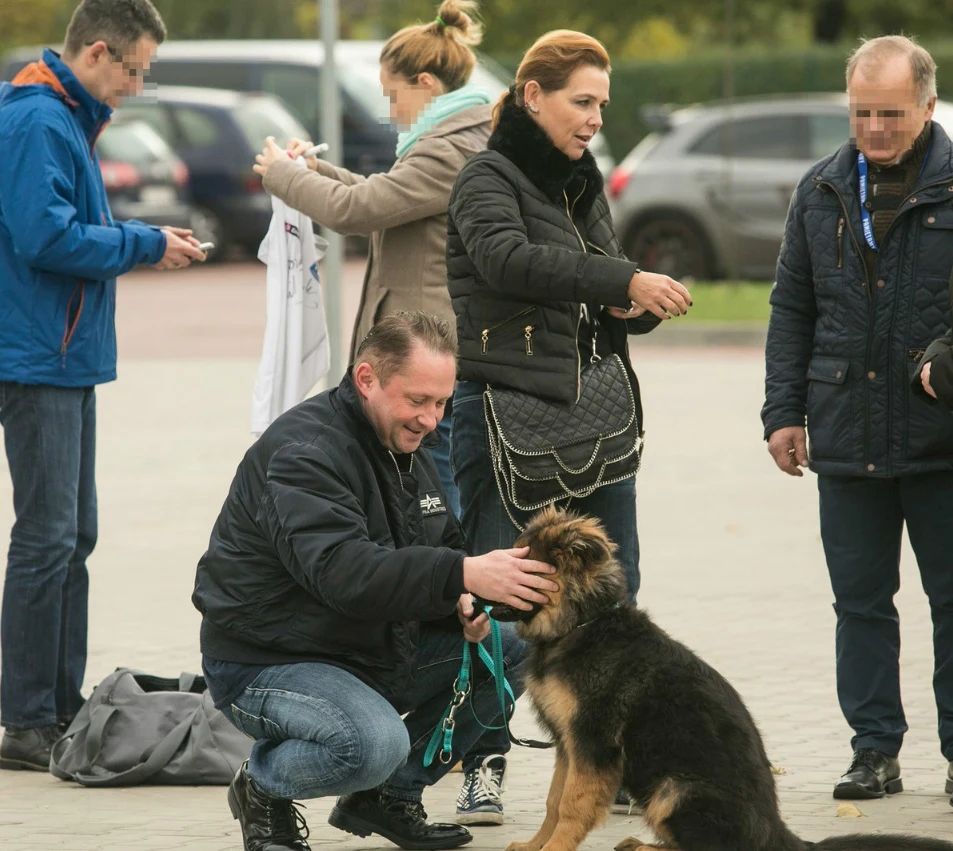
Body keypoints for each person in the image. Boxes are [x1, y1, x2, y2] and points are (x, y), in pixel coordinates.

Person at [192, 312, 558, 851]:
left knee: (515, 648)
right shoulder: (305, 452)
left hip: (365, 643)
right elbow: (344, 573)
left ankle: (386, 798)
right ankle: (263, 786)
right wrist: (463, 572)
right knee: (370, 745)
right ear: (367, 379)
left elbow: (439, 552)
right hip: (265, 659)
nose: (432, 419)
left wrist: (464, 604)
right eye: (417, 401)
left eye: (441, 403)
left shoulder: (406, 444)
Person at [0, 0, 207, 773]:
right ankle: (25, 718)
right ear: (97, 53)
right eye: (136, 69)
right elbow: (43, 236)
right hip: (36, 355)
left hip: (60, 353)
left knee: (71, 535)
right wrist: (146, 243)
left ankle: (54, 704)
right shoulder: (39, 121)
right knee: (48, 536)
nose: (137, 83)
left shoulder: (61, 114)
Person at [762, 35, 953, 803]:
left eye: (890, 113)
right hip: (843, 439)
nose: (874, 129)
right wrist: (781, 411)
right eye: (860, 113)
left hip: (939, 439)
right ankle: (872, 751)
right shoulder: (819, 190)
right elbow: (791, 307)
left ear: (928, 106)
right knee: (860, 605)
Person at [445, 30, 691, 601]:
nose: (595, 118)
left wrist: (636, 304)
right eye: (582, 102)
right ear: (533, 95)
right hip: (506, 416)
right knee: (503, 606)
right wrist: (621, 278)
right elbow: (507, 261)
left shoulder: (582, 181)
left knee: (613, 606)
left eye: (601, 105)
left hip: (597, 418)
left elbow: (604, 276)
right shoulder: (485, 177)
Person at [252, 0, 492, 522]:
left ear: (426, 83)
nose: (390, 110)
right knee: (424, 476)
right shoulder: (455, 137)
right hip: (432, 343)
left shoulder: (448, 150)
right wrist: (314, 169)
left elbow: (359, 211)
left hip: (428, 348)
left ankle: (450, 587)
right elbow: (384, 199)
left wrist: (283, 175)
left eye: (393, 95)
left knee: (434, 480)